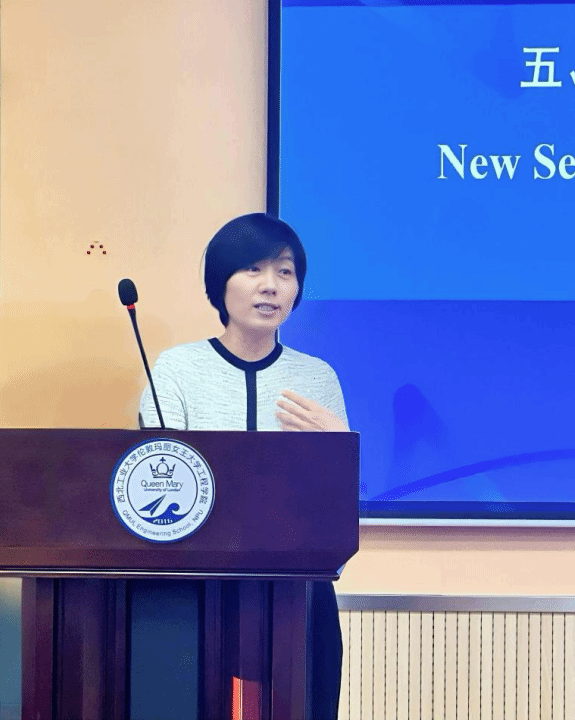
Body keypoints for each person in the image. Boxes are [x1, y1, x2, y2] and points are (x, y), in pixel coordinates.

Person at [139, 212, 348, 719]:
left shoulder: (317, 377)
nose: (270, 285)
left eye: (285, 271)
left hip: (297, 590)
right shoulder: (177, 369)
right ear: (221, 282)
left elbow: (338, 506)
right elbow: (153, 486)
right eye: (253, 269)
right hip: (192, 591)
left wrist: (339, 447)